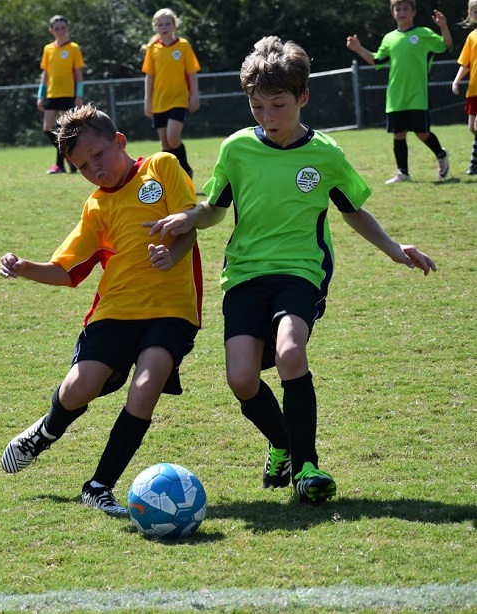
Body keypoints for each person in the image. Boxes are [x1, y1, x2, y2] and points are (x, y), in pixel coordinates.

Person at [145, 36, 437, 505]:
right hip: (244, 274)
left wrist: (392, 247)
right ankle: (282, 441)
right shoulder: (237, 149)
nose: (268, 117)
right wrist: (187, 217)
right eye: (257, 106)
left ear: (303, 97)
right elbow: (215, 208)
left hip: (301, 271)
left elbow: (353, 210)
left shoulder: (326, 155)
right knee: (241, 380)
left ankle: (306, 467)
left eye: (278, 105)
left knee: (289, 351)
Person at [0, 103, 202, 517]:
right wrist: (24, 267)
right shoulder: (96, 207)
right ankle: (47, 431)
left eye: (98, 155)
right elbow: (66, 270)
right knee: (79, 387)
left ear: (119, 141)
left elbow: (189, 222)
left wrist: (172, 252)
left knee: (147, 384)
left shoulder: (161, 167)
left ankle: (99, 485)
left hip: (171, 309)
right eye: (82, 166)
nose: (95, 169)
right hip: (115, 311)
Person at [346, 0, 453, 184]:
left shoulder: (423, 33)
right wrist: (358, 49)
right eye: (398, 9)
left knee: (422, 133)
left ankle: (441, 155)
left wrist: (443, 26)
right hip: (395, 96)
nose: (402, 12)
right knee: (399, 134)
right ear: (392, 13)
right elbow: (377, 60)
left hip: (417, 95)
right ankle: (403, 173)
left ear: (413, 12)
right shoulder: (389, 38)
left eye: (405, 8)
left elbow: (446, 46)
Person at [141, 8, 201, 178]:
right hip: (159, 101)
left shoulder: (183, 45)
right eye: (160, 24)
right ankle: (173, 177)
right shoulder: (153, 48)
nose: (164, 27)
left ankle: (186, 170)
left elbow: (192, 73)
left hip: (179, 100)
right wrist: (147, 101)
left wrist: (195, 96)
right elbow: (149, 77)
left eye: (167, 23)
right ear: (155, 27)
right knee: (166, 145)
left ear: (174, 25)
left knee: (173, 138)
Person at [37, 15, 84, 175]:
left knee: (63, 130)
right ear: (51, 30)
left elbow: (78, 74)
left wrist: (79, 95)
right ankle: (68, 155)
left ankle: (59, 165)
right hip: (51, 94)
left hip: (67, 94)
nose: (60, 31)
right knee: (47, 129)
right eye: (57, 28)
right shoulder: (48, 49)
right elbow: (45, 74)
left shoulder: (73, 48)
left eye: (63, 28)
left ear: (68, 28)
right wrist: (40, 95)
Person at [452, 0, 477, 175]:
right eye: (476, 12)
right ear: (470, 14)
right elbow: (466, 63)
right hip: (473, 90)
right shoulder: (472, 37)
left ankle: (474, 164)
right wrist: (456, 81)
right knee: (472, 128)